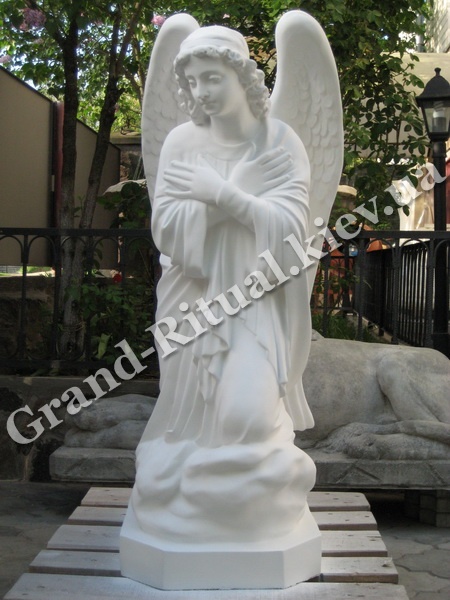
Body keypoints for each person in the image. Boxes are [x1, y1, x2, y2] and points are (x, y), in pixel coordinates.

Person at [129, 25, 317, 545]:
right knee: (189, 429)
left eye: (212, 78)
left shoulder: (280, 141)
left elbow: (293, 237)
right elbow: (168, 232)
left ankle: (225, 492)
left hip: (255, 305)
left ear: (242, 77)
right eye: (192, 82)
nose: (201, 92)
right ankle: (195, 486)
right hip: (192, 304)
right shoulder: (182, 143)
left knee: (245, 422)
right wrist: (236, 193)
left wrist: (223, 194)